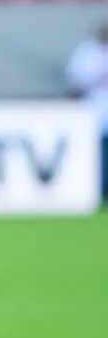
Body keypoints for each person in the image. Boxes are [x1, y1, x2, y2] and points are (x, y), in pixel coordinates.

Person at [66, 21, 108, 204]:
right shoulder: (88, 52)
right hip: (97, 113)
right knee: (98, 157)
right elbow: (78, 79)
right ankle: (101, 191)